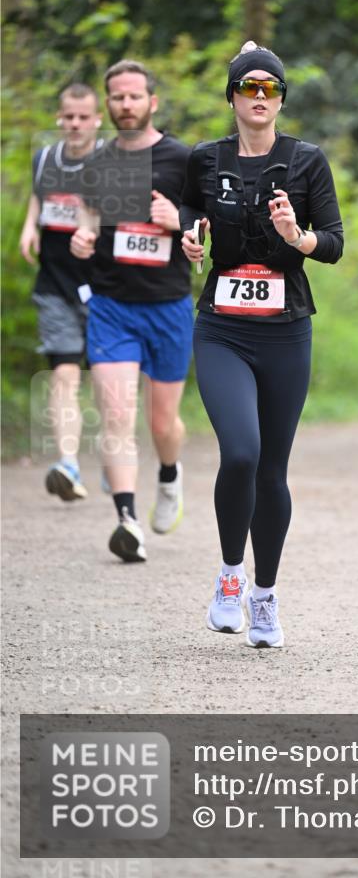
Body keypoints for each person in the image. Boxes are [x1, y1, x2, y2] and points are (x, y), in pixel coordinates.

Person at [180, 41, 343, 647]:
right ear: (232, 97)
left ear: (279, 99)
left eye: (268, 88)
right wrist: (190, 240)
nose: (258, 97)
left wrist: (296, 236)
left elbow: (333, 242)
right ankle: (229, 578)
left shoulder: (307, 162)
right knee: (241, 453)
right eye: (247, 87)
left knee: (272, 469)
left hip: (286, 331)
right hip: (222, 326)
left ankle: (265, 596)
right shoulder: (205, 158)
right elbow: (187, 212)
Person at [70, 60, 191, 563]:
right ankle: (127, 520)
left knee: (163, 423)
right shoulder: (97, 164)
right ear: (108, 105)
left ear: (152, 102)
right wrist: (82, 236)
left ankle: (169, 476)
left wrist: (179, 219)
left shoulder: (184, 160)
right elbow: (88, 217)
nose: (125, 105)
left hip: (168, 306)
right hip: (112, 307)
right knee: (117, 415)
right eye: (116, 98)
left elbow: (207, 227)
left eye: (134, 96)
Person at [20, 83, 103, 501]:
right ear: (60, 117)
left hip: (105, 287)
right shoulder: (45, 159)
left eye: (82, 117)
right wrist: (29, 227)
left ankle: (111, 460)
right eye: (68, 116)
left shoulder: (111, 162)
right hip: (54, 283)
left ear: (97, 120)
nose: (74, 124)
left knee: (109, 379)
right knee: (65, 374)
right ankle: (68, 464)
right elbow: (39, 198)